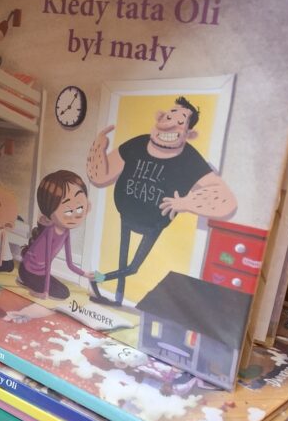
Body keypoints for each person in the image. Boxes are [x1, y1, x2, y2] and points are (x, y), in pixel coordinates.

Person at [86, 97, 237, 306]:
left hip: (154, 224)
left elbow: (225, 199)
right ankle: (117, 299)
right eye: (167, 117)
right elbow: (100, 175)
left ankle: (99, 278)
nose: (170, 123)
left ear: (189, 134)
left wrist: (186, 203)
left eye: (180, 122)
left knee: (133, 267)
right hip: (126, 214)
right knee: (123, 261)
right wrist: (99, 147)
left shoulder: (190, 159)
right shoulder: (137, 143)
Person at [18, 170, 95, 300]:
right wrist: (46, 292)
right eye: (68, 211)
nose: (75, 215)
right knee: (62, 293)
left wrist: (85, 274)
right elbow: (48, 264)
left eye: (80, 208)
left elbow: (70, 264)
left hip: (41, 274)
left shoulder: (66, 231)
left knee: (65, 292)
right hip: (27, 271)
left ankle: (31, 284)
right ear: (50, 211)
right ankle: (24, 280)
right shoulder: (50, 231)